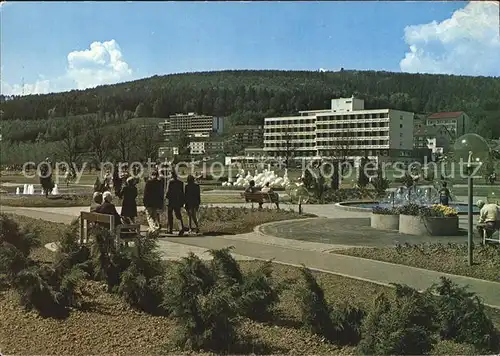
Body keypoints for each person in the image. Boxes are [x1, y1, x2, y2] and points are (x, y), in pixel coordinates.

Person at [166, 170, 186, 236]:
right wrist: (182, 201)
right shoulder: (180, 183)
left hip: (171, 201)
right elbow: (182, 193)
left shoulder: (170, 182)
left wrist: (166, 198)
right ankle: (181, 228)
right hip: (178, 201)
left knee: (170, 215)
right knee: (178, 215)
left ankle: (170, 229)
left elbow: (167, 191)